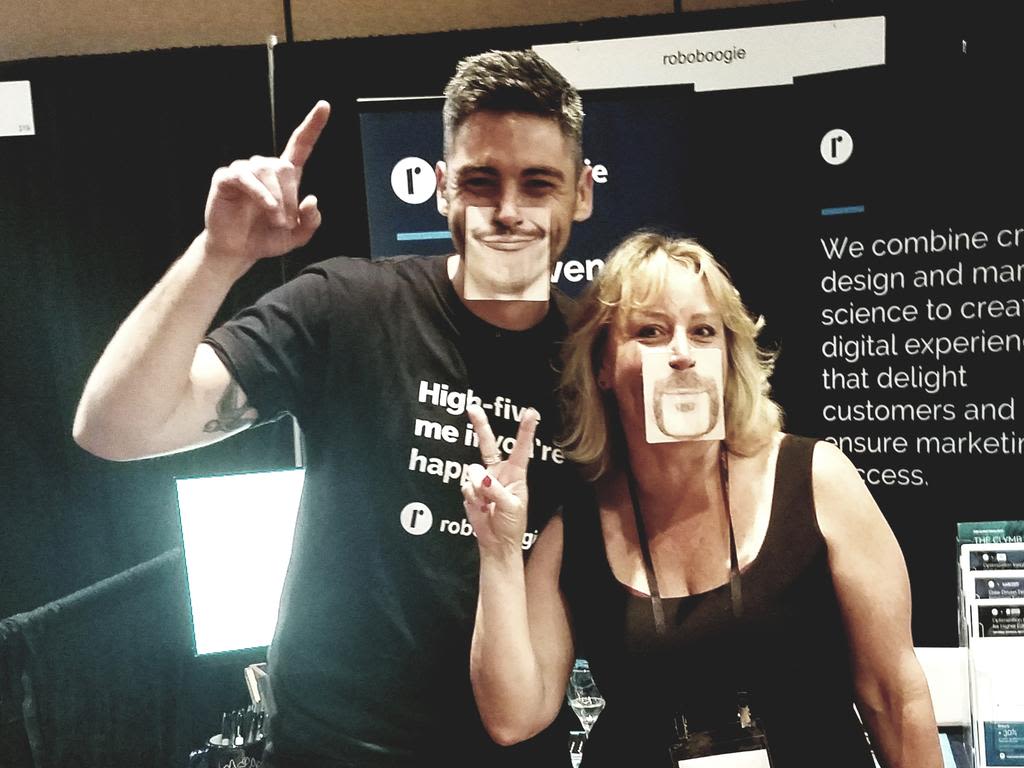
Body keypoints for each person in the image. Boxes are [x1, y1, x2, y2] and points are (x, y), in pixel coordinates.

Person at [73, 50, 593, 767]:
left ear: (582, 195)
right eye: (480, 181)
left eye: (539, 184)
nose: (508, 211)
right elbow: (113, 427)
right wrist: (219, 255)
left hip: (515, 746)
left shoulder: (595, 363)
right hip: (337, 749)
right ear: (441, 189)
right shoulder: (348, 309)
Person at [462, 232, 942, 767]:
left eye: (704, 331)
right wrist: (499, 551)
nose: (683, 354)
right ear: (602, 365)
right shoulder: (575, 531)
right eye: (651, 331)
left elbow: (895, 697)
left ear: (729, 354)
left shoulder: (816, 481)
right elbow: (513, 716)